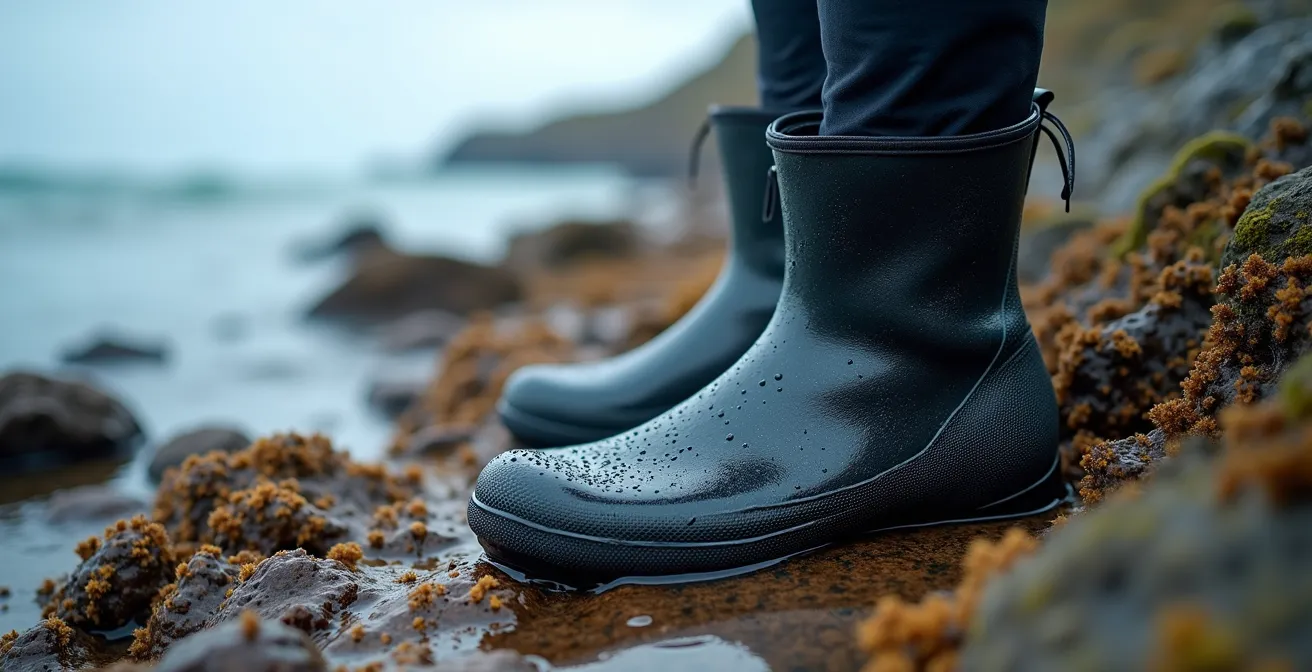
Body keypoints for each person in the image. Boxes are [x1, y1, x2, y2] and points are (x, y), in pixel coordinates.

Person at [469, 0, 1076, 586]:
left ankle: (922, 379)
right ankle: (817, 326)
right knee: (824, 72)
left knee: (898, 86)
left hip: (945, 379)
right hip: (824, 315)